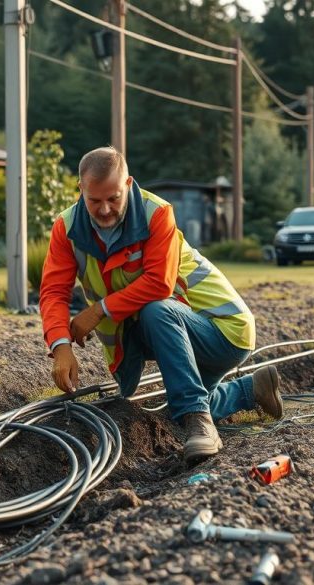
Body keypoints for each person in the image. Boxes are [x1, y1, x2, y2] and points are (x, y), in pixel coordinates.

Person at [38, 147, 282, 464]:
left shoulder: (157, 213)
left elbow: (159, 284)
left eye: (113, 198)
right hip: (164, 332)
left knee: (158, 316)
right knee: (168, 415)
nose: (105, 209)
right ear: (81, 190)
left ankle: (200, 421)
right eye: (94, 201)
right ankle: (250, 391)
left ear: (128, 184)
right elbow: (53, 292)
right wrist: (61, 346)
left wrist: (97, 311)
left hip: (222, 329)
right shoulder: (66, 227)